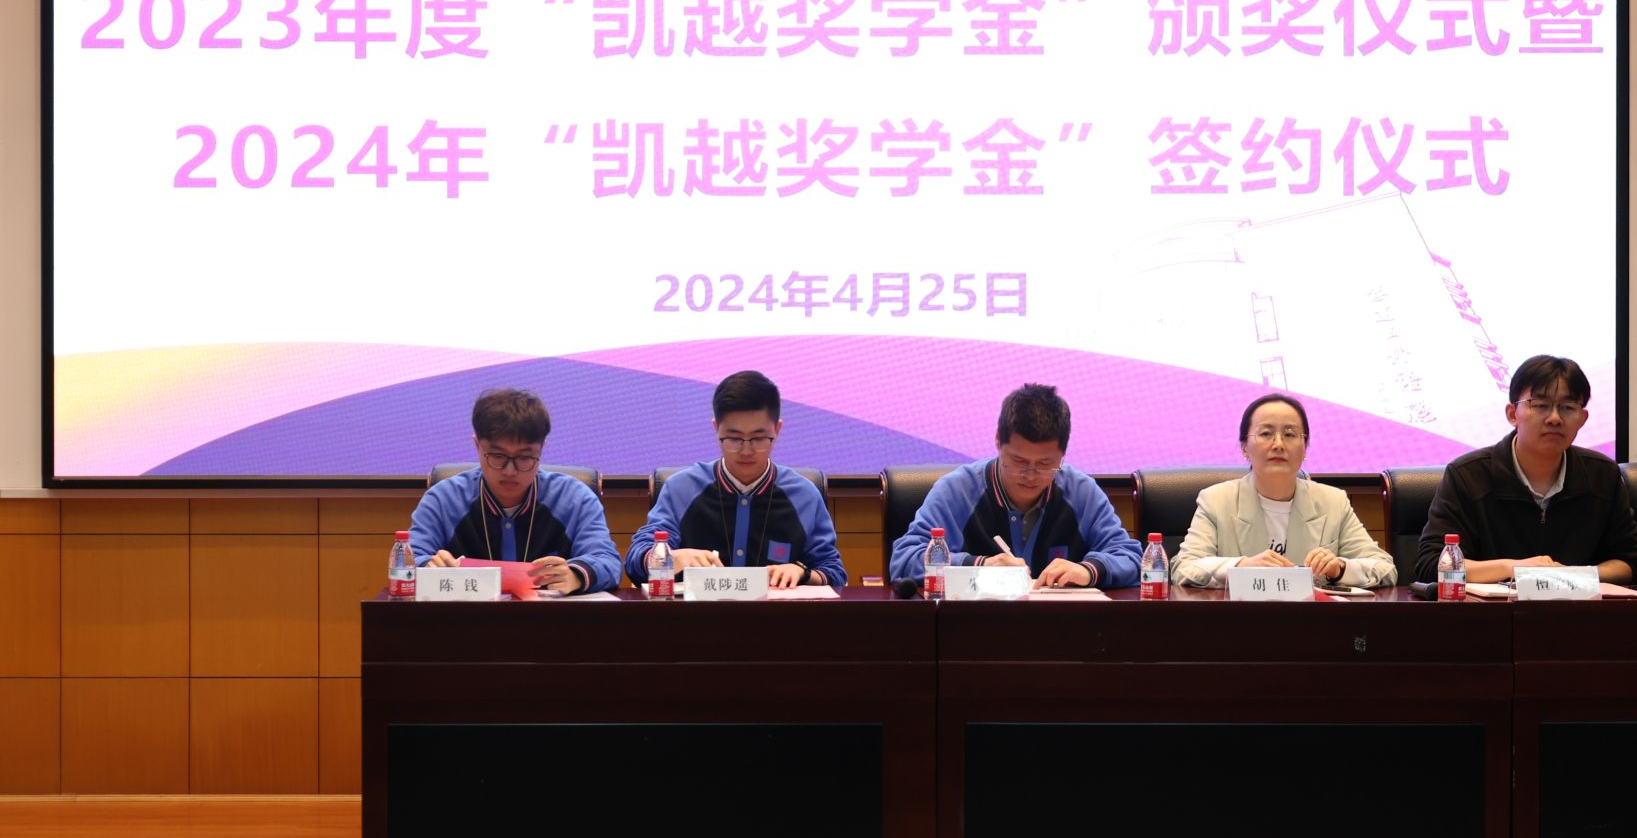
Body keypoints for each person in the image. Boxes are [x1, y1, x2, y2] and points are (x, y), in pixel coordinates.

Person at [1412, 354, 1637, 585]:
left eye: (1567, 407)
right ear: (1512, 414)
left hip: (1575, 606)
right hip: (1492, 607)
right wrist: (1512, 568)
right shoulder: (1467, 475)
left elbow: (1629, 562)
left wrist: (1572, 576)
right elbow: (1432, 565)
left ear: (1582, 419)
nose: (1555, 418)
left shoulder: (1603, 475)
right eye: (1541, 405)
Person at [887, 383, 1141, 588]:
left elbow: (1131, 557)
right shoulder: (957, 492)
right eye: (1018, 461)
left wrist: (1089, 570)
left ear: (1063, 455)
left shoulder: (1081, 493)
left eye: (1045, 464)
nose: (1030, 475)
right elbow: (904, 560)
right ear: (998, 441)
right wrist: (979, 566)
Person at [625, 371, 846, 590]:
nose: (746, 450)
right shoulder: (681, 489)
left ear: (777, 430)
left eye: (759, 438)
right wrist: (670, 558)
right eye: (734, 438)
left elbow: (835, 573)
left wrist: (803, 573)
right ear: (716, 429)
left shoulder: (804, 495)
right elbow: (635, 562)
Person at [1172, 393, 1396, 589]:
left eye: (1289, 434)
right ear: (1244, 447)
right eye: (1265, 434)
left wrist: (1340, 568)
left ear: (1305, 448)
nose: (1278, 444)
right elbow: (1183, 568)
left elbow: (1385, 569)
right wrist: (1241, 566)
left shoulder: (1333, 502)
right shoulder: (1216, 500)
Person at [407, 388, 620, 594]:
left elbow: (607, 560)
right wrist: (428, 567)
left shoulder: (575, 499)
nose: (510, 471)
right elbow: (408, 560)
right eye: (498, 456)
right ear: (478, 445)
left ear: (541, 448)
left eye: (524, 457)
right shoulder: (443, 499)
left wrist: (575, 574)